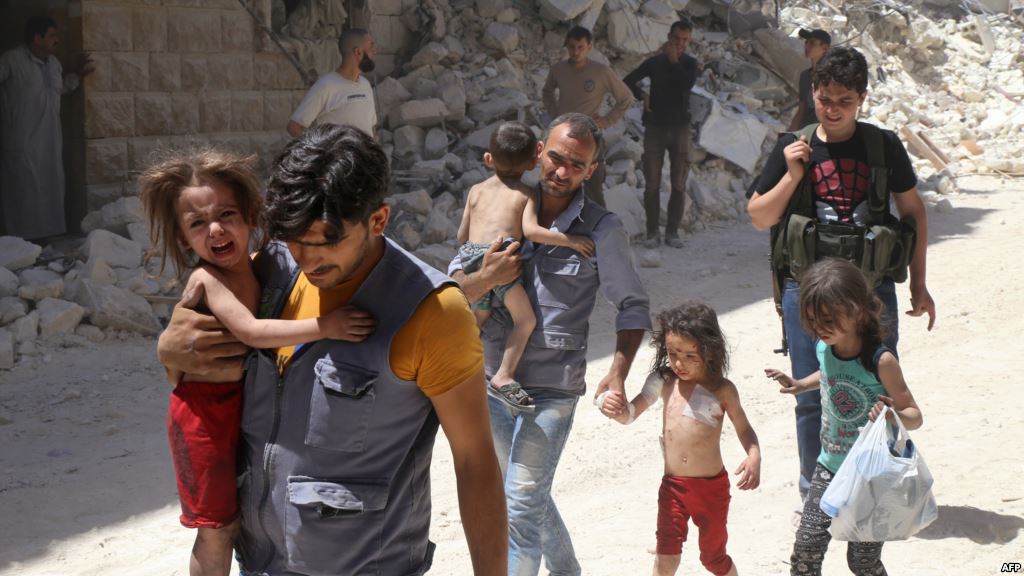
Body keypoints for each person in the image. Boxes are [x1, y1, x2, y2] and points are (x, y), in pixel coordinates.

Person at [156, 125, 507, 575]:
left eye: (325, 243)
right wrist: (170, 349)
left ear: (378, 220)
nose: (306, 260)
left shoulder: (434, 314)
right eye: (295, 241)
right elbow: (199, 344)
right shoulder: (274, 271)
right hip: (261, 563)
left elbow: (476, 463)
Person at [138, 150, 376, 576]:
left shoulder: (262, 263)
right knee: (217, 528)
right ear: (181, 238)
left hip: (243, 408)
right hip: (203, 419)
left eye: (226, 214)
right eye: (197, 224)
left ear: (251, 215)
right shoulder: (207, 279)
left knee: (243, 512)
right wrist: (327, 326)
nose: (216, 229)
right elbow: (250, 330)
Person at [451, 112, 652, 576]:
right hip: (492, 384)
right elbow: (454, 289)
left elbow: (633, 306)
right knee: (526, 495)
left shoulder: (601, 230)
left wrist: (618, 371)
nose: (562, 172)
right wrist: (488, 277)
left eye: (576, 165)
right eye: (556, 158)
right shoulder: (500, 203)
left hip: (552, 390)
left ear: (591, 171)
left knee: (519, 503)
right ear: (539, 151)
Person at [746, 46, 935, 505]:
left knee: (875, 392)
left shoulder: (883, 146)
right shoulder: (793, 144)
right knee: (810, 397)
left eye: (844, 101)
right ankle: (816, 495)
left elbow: (913, 213)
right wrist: (793, 175)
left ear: (862, 98)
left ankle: (873, 489)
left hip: (870, 291)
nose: (832, 109)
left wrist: (919, 283)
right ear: (813, 93)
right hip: (805, 291)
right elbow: (758, 216)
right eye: (824, 98)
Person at [765, 258, 923, 576]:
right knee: (805, 551)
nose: (819, 328)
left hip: (871, 477)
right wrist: (799, 385)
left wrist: (892, 414)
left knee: (861, 562)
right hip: (829, 467)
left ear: (858, 310)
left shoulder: (882, 361)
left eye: (827, 319)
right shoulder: (826, 349)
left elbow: (914, 416)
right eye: (812, 320)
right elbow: (827, 374)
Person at [600, 301, 760, 576]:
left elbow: (744, 429)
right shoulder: (663, 381)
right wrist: (612, 407)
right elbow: (629, 415)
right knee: (666, 557)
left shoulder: (722, 390)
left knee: (713, 558)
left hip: (711, 490)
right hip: (673, 488)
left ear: (709, 350)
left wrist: (754, 455)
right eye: (672, 353)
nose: (678, 363)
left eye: (689, 355)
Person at [457, 121, 596, 411]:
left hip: (473, 259)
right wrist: (569, 240)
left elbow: (461, 236)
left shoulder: (475, 191)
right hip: (504, 259)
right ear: (536, 160)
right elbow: (532, 232)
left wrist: (478, 260)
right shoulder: (526, 194)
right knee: (526, 321)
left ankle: (456, 369)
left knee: (477, 319)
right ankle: (504, 375)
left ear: (488, 159)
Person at [0, 16, 92, 240]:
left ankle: (46, 238)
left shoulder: (54, 64)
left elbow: (58, 91)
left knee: (49, 188)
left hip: (49, 141)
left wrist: (78, 77)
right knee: (23, 192)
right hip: (22, 140)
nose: (56, 40)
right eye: (52, 35)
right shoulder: (12, 60)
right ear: (37, 38)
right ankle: (20, 244)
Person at [623, 19, 700, 249]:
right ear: (669, 36)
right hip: (655, 127)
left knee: (678, 183)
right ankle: (652, 233)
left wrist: (673, 59)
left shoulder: (689, 63)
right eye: (676, 39)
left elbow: (684, 85)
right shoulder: (654, 63)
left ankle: (672, 233)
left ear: (690, 41)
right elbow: (627, 81)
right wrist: (642, 95)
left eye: (685, 40)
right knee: (651, 184)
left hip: (680, 129)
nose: (680, 44)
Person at [541, 26, 635, 207]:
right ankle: (562, 231)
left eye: (580, 47)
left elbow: (625, 98)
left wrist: (606, 121)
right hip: (564, 137)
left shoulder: (601, 72)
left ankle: (600, 231)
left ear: (589, 47)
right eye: (571, 47)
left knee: (594, 189)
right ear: (566, 47)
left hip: (590, 138)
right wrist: (555, 115)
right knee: (561, 185)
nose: (575, 52)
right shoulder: (558, 70)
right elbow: (547, 92)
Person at [287, 28, 377, 138]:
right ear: (358, 52)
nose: (375, 51)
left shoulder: (365, 85)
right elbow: (294, 127)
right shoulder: (326, 86)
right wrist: (321, 152)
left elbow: (370, 127)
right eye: (371, 45)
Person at [787, 29, 831, 131]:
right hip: (806, 133)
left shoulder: (832, 77)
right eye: (806, 42)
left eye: (812, 43)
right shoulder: (805, 77)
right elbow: (802, 110)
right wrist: (788, 137)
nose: (807, 46)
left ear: (825, 48)